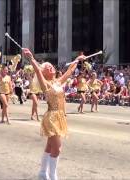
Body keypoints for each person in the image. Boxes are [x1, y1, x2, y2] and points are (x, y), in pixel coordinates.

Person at [22, 48, 85, 180]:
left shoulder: (57, 82)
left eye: (51, 66)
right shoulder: (46, 84)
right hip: (52, 117)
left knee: (50, 147)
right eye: (48, 67)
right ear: (45, 73)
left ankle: (43, 173)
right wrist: (31, 58)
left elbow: (69, 72)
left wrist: (77, 60)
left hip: (60, 116)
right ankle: (52, 175)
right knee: (57, 149)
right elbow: (38, 71)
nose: (51, 67)